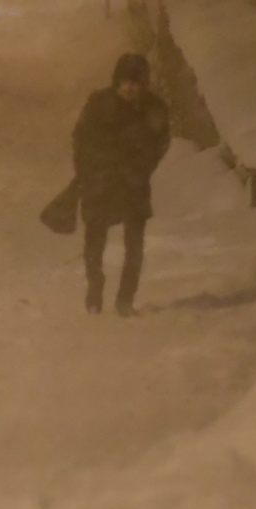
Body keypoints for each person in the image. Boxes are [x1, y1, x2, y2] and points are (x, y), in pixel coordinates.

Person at [71, 52, 171, 316]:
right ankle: (95, 288)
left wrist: (140, 169)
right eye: (125, 82)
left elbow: (159, 145)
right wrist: (89, 172)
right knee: (94, 242)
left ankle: (125, 299)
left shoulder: (154, 109)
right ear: (116, 82)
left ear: (144, 84)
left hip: (133, 184)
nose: (129, 88)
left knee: (134, 246)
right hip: (100, 183)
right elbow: (80, 140)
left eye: (136, 83)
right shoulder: (98, 104)